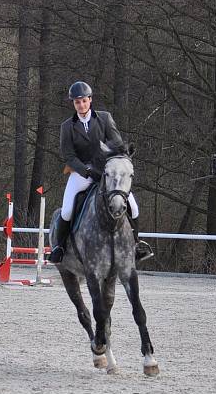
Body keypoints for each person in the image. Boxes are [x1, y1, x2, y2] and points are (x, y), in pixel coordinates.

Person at [49, 81, 153, 264]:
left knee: (133, 206)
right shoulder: (67, 126)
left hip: (107, 173)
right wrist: (87, 170)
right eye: (77, 102)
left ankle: (136, 246)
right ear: (73, 104)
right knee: (66, 211)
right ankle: (60, 247)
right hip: (81, 173)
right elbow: (69, 156)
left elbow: (118, 144)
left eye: (83, 101)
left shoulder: (105, 118)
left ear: (90, 100)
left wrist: (110, 166)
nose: (81, 105)